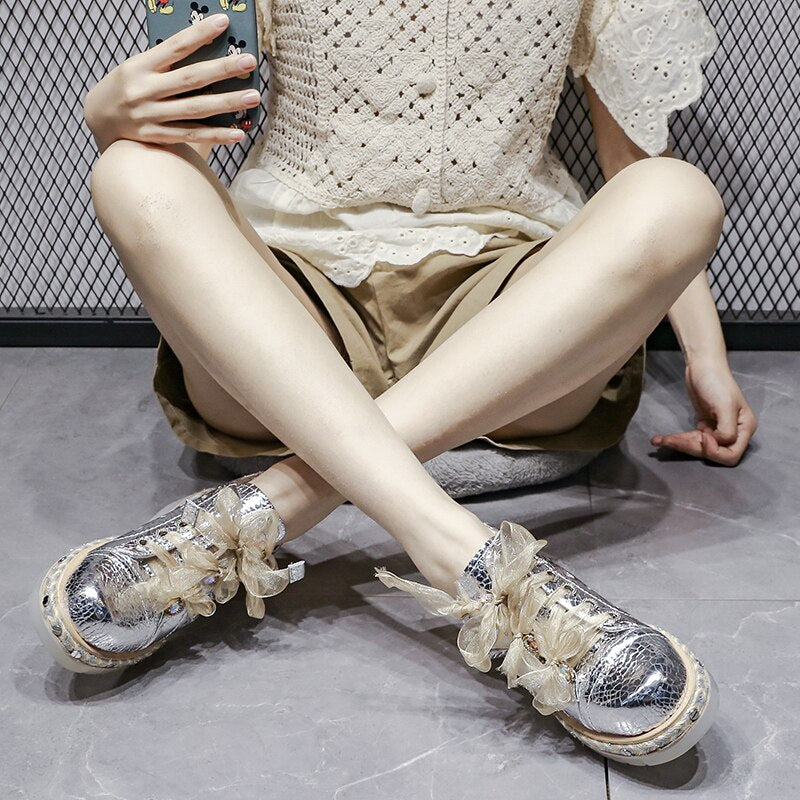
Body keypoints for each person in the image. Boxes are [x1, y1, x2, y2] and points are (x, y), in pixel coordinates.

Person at [29, 1, 756, 766]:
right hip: (289, 315)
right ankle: (463, 556)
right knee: (132, 169)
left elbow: (632, 160)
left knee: (678, 193)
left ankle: (262, 511)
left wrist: (704, 355)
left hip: (512, 322)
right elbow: (189, 124)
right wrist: (110, 121)